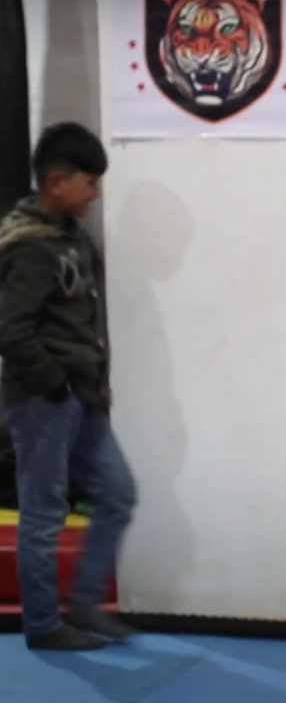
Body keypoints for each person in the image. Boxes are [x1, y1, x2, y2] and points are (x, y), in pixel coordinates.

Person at [0, 122, 138, 651]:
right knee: (43, 511)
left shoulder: (72, 239)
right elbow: (11, 329)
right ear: (57, 182)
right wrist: (53, 383)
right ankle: (42, 625)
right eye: (89, 183)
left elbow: (84, 320)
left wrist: (94, 385)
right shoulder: (30, 247)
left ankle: (83, 603)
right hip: (45, 400)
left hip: (82, 398)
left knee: (118, 493)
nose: (95, 194)